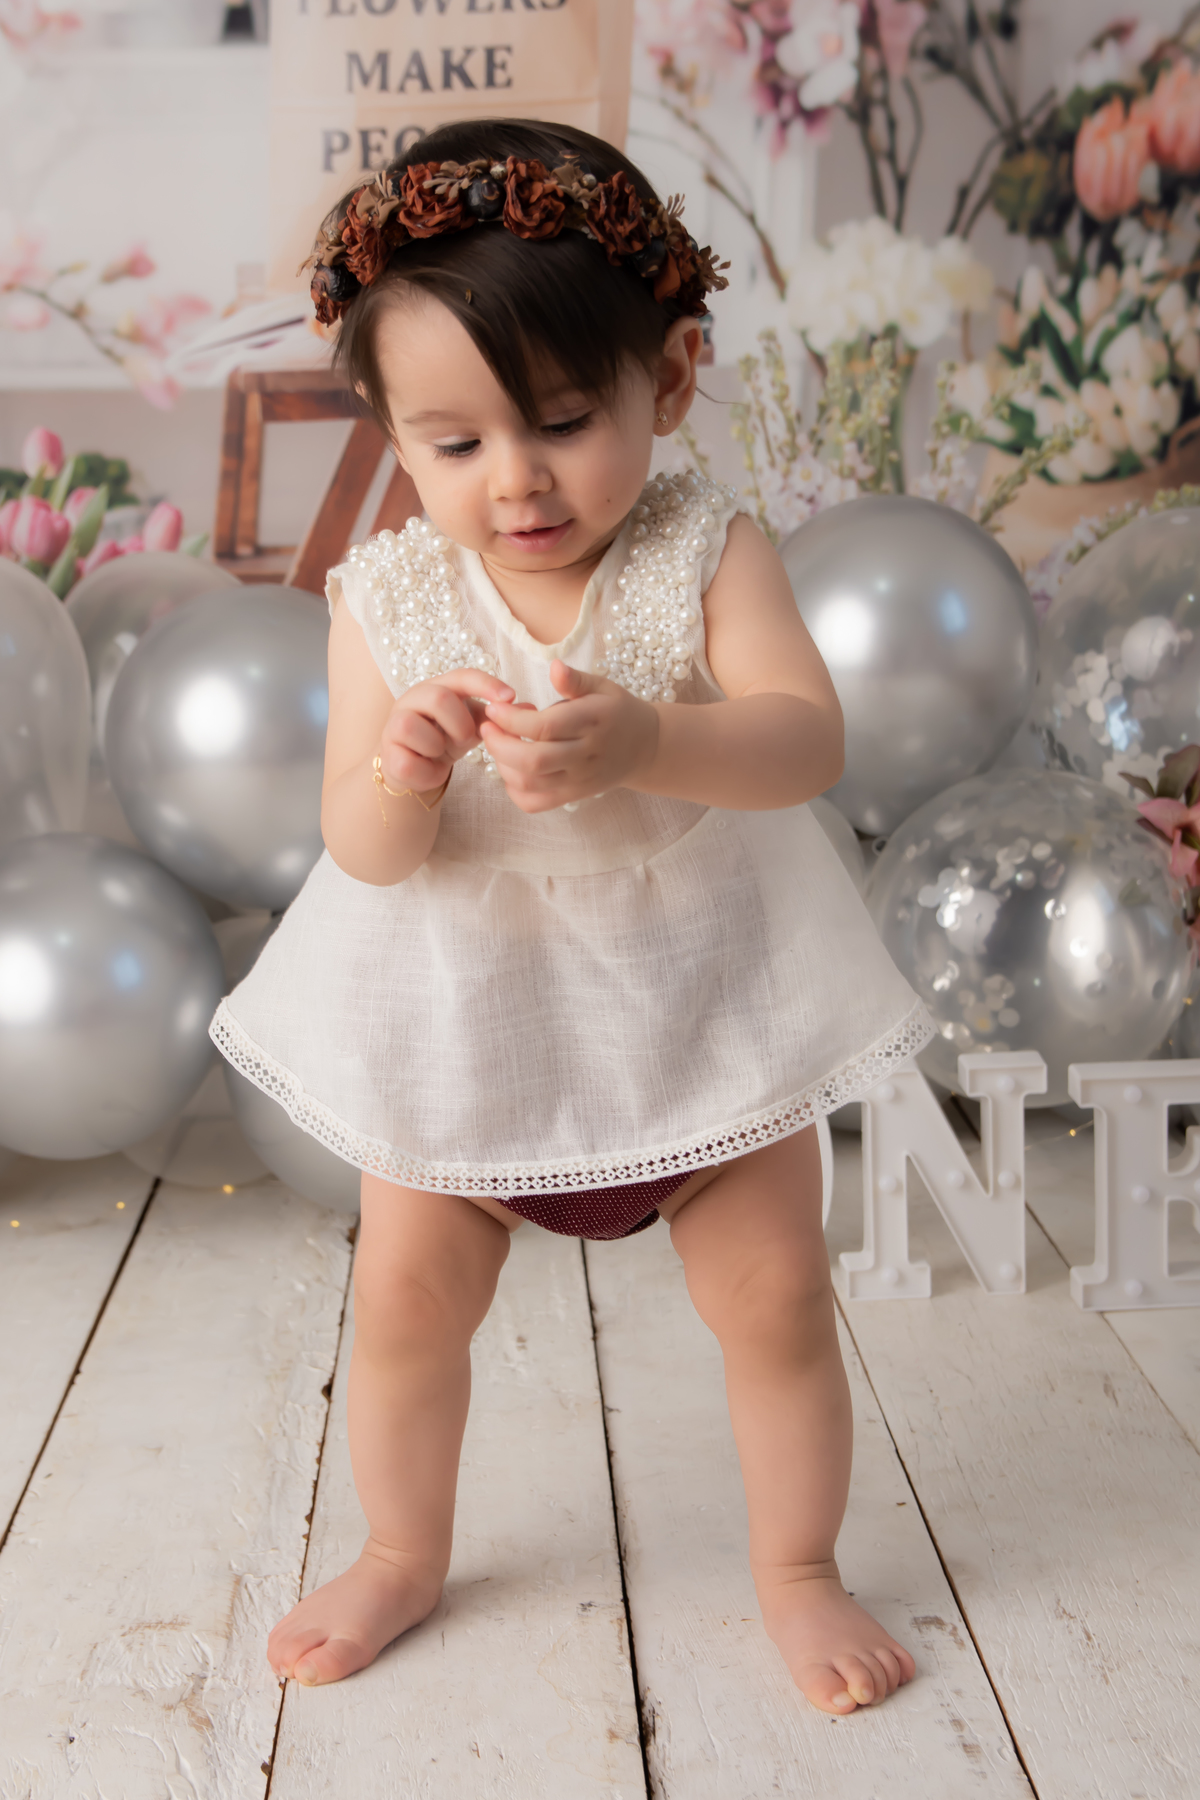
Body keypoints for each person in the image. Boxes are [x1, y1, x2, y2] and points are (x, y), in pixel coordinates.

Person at [211, 117, 932, 1716]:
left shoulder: (706, 550)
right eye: (456, 442)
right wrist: (402, 772)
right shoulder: (388, 600)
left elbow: (806, 739)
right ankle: (401, 1547)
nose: (518, 479)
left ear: (667, 380)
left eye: (561, 420)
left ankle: (799, 1568)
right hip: (472, 1030)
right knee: (405, 1308)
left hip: (705, 1007)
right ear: (392, 434)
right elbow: (362, 852)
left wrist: (649, 737)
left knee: (778, 1298)